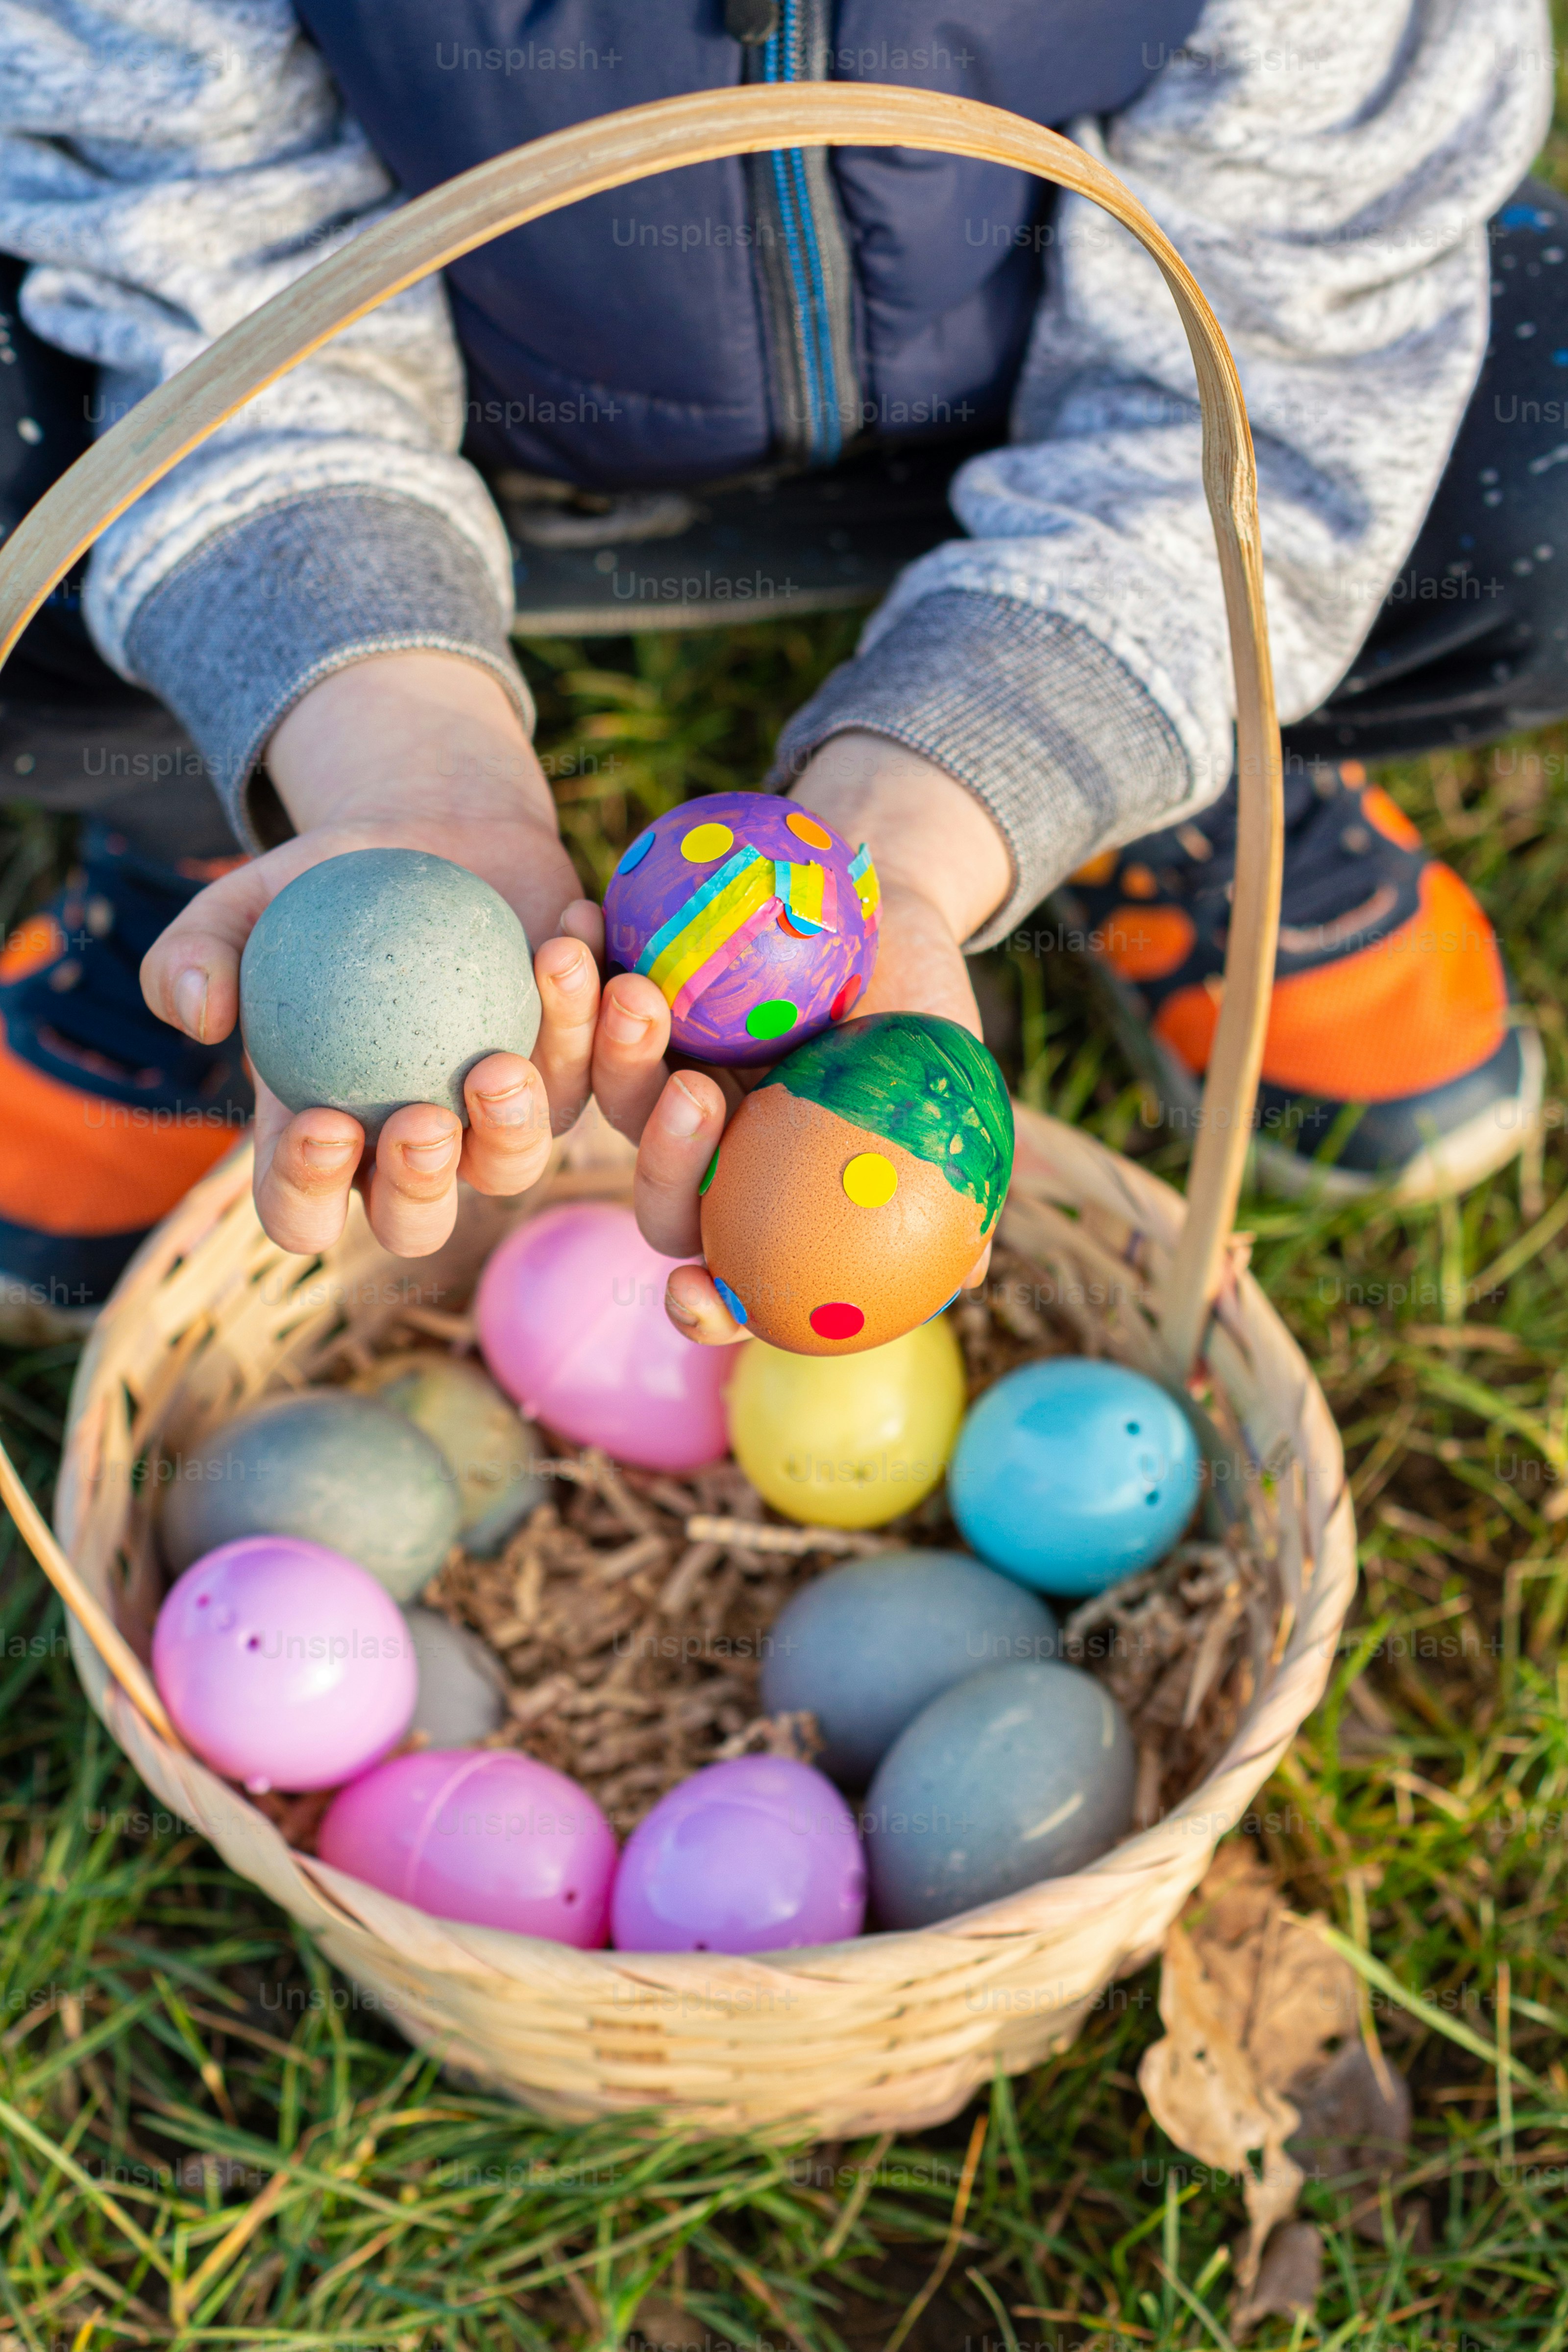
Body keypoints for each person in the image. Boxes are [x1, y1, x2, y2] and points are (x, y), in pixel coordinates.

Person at [0, 0, 1555, 1344]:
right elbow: (190, 256)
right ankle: (233, 810)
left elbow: (1289, 342)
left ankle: (1131, 790)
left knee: (1522, 465)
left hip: (1039, 423)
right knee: (51, 458)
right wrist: (395, 755)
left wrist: (939, 813)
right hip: (429, 436)